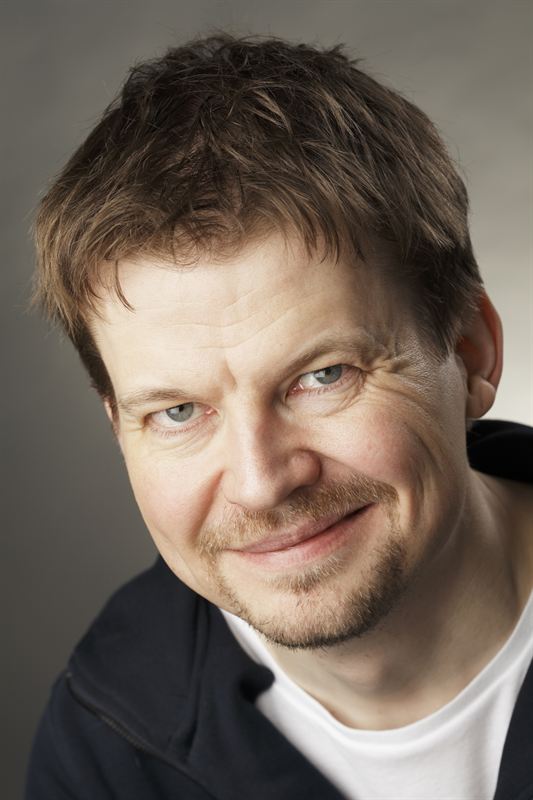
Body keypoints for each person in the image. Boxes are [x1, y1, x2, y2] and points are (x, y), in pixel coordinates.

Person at [26, 33, 532, 800]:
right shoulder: (100, 745)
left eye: (322, 376)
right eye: (177, 412)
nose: (260, 483)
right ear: (118, 427)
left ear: (470, 352)